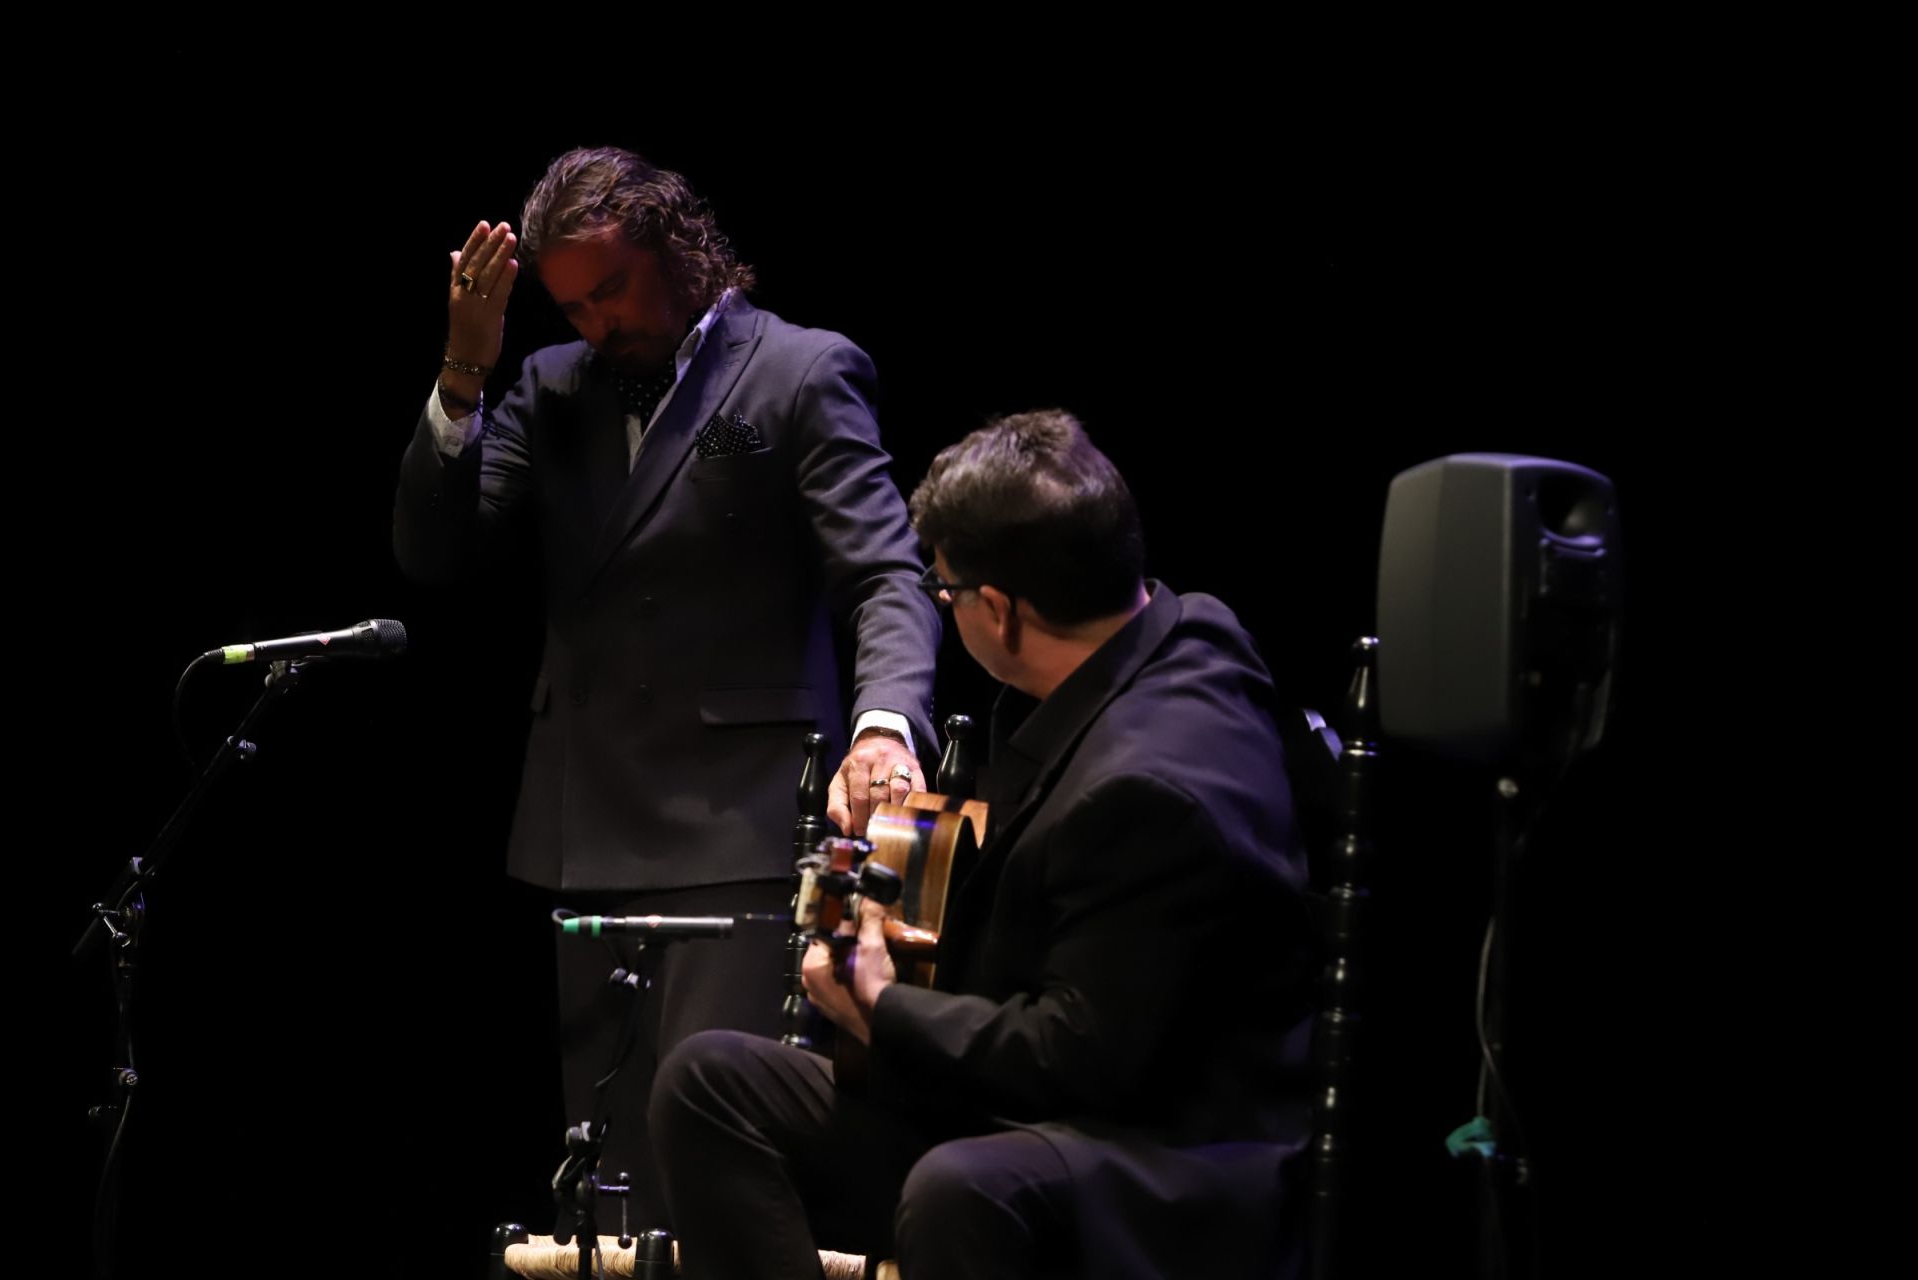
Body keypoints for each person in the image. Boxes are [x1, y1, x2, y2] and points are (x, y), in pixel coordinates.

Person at [393, 146, 940, 1222]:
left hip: (737, 827)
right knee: (605, 1171)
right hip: (585, 823)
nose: (595, 323)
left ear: (679, 251)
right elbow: (435, 551)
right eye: (571, 305)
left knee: (707, 1153)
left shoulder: (799, 371)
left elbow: (886, 573)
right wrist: (466, 373)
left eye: (611, 290)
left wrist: (884, 725)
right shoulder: (551, 388)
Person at [651, 410, 1316, 1278]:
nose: (943, 604)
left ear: (998, 610)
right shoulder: (1183, 627)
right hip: (1081, 1091)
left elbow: (1078, 1062)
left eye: (947, 591)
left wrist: (882, 1008)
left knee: (960, 1187)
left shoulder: (1146, 790)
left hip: (1170, 1152)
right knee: (712, 1088)